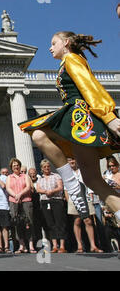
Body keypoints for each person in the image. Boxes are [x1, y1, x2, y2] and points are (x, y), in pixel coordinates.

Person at [19, 31, 120, 224]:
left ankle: (71, 182)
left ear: (65, 43)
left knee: (39, 134)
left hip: (79, 118)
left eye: (53, 43)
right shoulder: (68, 62)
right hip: (77, 120)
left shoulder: (72, 59)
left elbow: (89, 86)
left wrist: (108, 116)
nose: (50, 47)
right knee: (93, 180)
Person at [66, 157, 103, 253]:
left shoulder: (83, 171)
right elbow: (66, 189)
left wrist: (90, 196)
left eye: (73, 159)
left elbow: (89, 184)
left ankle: (93, 245)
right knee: (77, 221)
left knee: (88, 221)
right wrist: (69, 200)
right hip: (74, 198)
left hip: (86, 197)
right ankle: (79, 246)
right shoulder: (67, 174)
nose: (72, 162)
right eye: (69, 160)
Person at [35, 159, 67, 253]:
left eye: (48, 166)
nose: (47, 168)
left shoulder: (56, 176)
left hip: (56, 200)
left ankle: (62, 245)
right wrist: (45, 192)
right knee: (50, 223)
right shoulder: (40, 179)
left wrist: (52, 191)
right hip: (45, 201)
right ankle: (54, 245)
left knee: (59, 222)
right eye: (44, 167)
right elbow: (38, 189)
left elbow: (60, 187)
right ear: (41, 168)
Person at [5, 158, 36, 253]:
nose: (16, 167)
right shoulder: (9, 177)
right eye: (14, 165)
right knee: (17, 223)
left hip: (26, 200)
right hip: (14, 201)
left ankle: (31, 245)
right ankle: (22, 246)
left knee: (28, 222)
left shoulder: (25, 176)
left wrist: (20, 194)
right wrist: (15, 196)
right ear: (11, 167)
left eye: (17, 165)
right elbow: (8, 188)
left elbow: (28, 187)